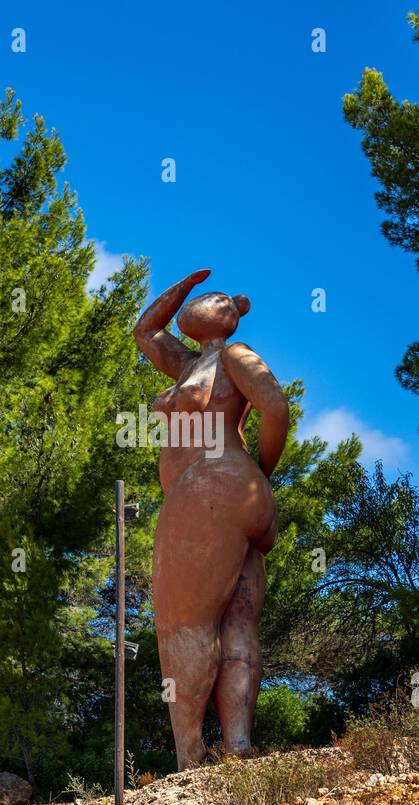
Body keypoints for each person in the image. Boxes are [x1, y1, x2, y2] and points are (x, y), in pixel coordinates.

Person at [133, 269, 289, 769]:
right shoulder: (188, 363)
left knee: (182, 624)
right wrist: (183, 284)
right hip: (232, 494)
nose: (202, 300)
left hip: (213, 487)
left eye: (212, 297)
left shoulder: (232, 357)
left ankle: (189, 761)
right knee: (236, 619)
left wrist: (259, 471)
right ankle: (238, 749)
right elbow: (145, 331)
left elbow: (275, 407)